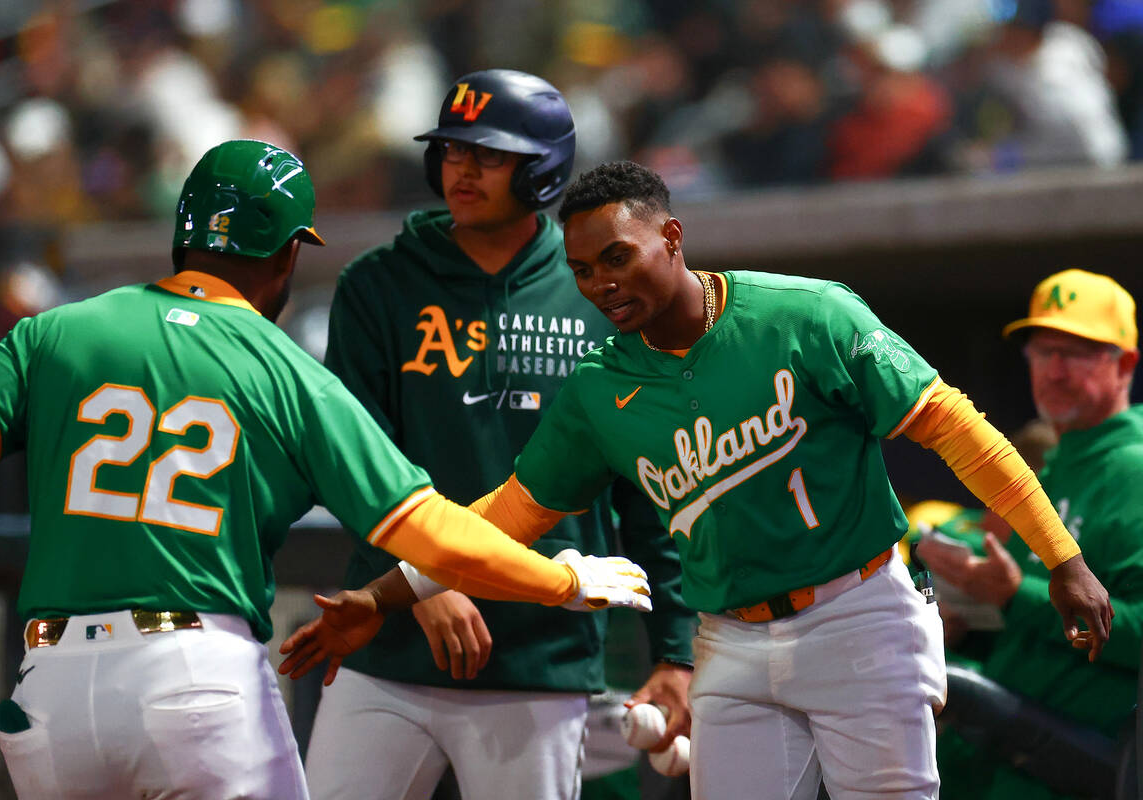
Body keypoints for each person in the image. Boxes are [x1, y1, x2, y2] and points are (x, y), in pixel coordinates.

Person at [284, 161, 1114, 800]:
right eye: (582, 270)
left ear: (673, 239)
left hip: (859, 615)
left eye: (618, 256)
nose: (602, 283)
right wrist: (382, 598)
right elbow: (500, 519)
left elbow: (958, 431)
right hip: (732, 641)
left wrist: (1062, 557)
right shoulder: (600, 390)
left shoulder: (807, 316)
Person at [0, 139, 654, 800]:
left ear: (182, 235)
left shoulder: (57, 330)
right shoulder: (284, 369)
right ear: (286, 256)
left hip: (48, 690)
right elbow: (429, 530)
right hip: (195, 680)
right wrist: (559, 579)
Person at [301, 69, 696, 800]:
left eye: (489, 154)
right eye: (451, 150)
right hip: (390, 643)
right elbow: (352, 460)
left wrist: (677, 650)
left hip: (542, 654)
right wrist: (424, 587)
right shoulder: (378, 284)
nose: (462, 169)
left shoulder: (597, 292)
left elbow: (650, 489)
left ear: (542, 170)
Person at [920, 268, 1143, 799]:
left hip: (1072, 771)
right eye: (1043, 353)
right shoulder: (1048, 474)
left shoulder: (1135, 470)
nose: (1056, 371)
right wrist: (954, 618)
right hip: (992, 762)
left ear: (1126, 365)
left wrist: (1012, 596)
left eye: (1079, 352)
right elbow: (1012, 619)